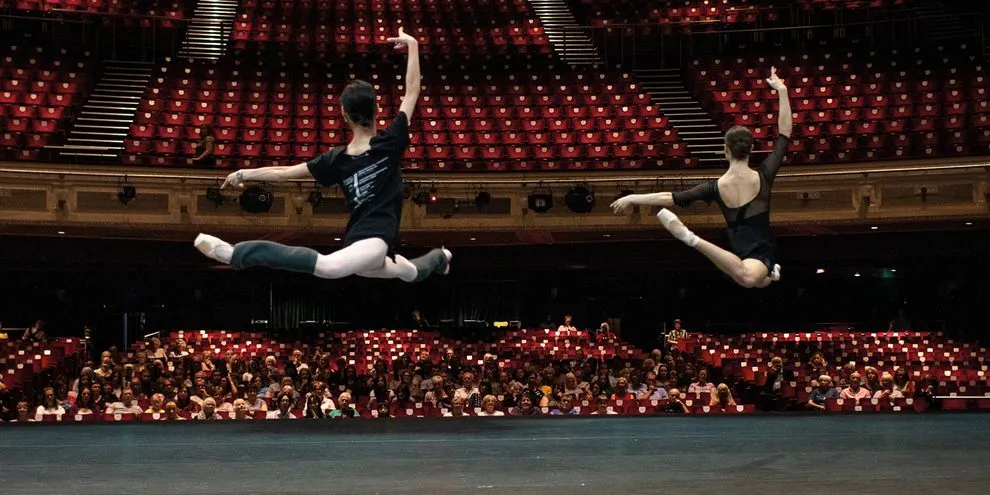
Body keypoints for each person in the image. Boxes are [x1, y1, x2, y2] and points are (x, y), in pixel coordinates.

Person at [193, 28, 451, 285]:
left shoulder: (368, 149)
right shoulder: (377, 144)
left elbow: (284, 173)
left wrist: (242, 173)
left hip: (377, 238)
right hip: (358, 240)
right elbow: (413, 89)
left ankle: (237, 253)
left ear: (343, 115)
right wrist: (413, 45)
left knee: (329, 266)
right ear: (377, 108)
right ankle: (441, 257)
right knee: (409, 273)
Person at [611, 67, 792, 289]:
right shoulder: (764, 175)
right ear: (751, 149)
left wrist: (633, 197)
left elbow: (671, 197)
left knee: (753, 280)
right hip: (752, 250)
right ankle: (768, 272)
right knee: (754, 280)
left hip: (748, 250)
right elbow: (784, 135)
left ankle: (694, 240)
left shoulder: (714, 187)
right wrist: (781, 91)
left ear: (725, 150)